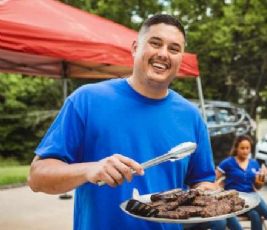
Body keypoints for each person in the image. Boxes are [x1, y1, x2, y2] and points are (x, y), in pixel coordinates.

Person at [27, 14, 225, 230]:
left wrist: (209, 193)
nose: (163, 54)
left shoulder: (191, 116)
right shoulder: (87, 100)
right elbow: (37, 177)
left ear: (180, 58)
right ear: (134, 48)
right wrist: (89, 170)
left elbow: (203, 181)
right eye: (155, 43)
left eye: (174, 49)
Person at [215, 135, 267, 230]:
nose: (245, 151)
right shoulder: (228, 162)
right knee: (256, 198)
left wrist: (261, 178)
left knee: (255, 214)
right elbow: (213, 178)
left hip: (249, 202)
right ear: (236, 148)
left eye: (247, 148)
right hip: (233, 200)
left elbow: (258, 187)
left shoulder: (254, 163)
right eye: (242, 148)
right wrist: (219, 187)